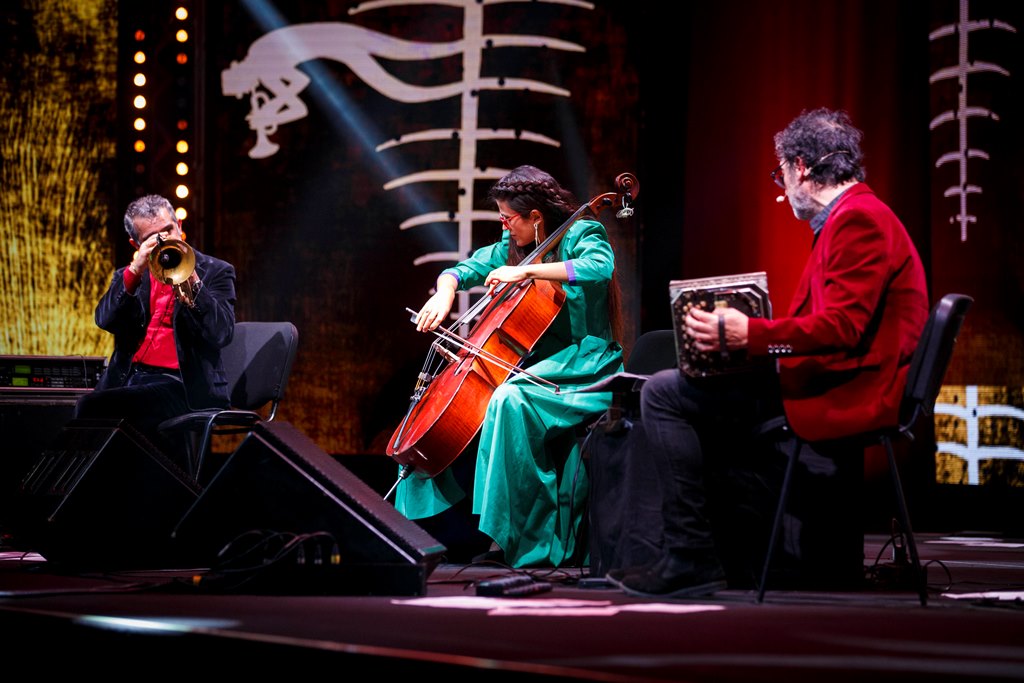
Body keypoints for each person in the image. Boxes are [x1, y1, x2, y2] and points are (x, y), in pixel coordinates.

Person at [608, 108, 930, 598]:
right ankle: (712, 553)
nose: (782, 188)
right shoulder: (852, 216)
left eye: (780, 174)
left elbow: (843, 327)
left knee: (664, 393)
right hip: (837, 376)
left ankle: (690, 556)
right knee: (690, 383)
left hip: (848, 390)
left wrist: (751, 335)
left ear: (800, 166)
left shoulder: (858, 219)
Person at [394, 165, 624, 568]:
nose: (503, 227)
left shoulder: (582, 233)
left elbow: (598, 268)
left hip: (586, 366)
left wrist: (528, 270)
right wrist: (445, 291)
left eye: (507, 218)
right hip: (538, 368)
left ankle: (515, 542)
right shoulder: (513, 245)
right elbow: (463, 270)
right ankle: (414, 535)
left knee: (507, 401)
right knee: (476, 403)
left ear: (535, 217)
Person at [74, 194, 236, 473]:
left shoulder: (215, 271)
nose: (164, 240)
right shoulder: (129, 276)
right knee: (89, 414)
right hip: (131, 378)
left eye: (168, 230)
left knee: (93, 407)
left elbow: (222, 333)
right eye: (152, 237)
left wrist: (195, 285)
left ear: (179, 225)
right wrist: (134, 271)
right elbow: (104, 319)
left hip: (183, 383)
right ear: (136, 245)